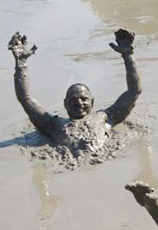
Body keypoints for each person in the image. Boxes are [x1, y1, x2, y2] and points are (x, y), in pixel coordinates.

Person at [8, 29, 141, 157]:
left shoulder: (105, 118)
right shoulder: (53, 125)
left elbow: (134, 91)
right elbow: (25, 99)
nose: (79, 102)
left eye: (84, 99)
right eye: (73, 99)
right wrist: (21, 63)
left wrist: (128, 55)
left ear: (92, 102)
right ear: (65, 104)